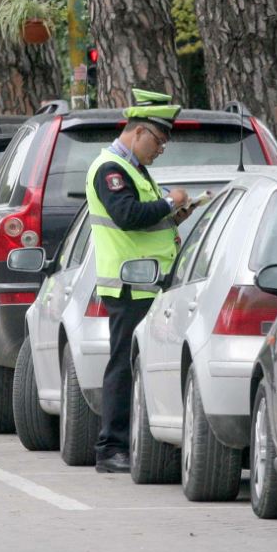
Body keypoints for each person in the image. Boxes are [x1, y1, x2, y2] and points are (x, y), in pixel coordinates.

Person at [85, 89, 189, 474]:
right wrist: (169, 203)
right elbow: (127, 214)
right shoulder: (110, 169)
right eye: (158, 142)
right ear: (140, 132)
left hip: (149, 284)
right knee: (123, 366)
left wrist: (173, 217)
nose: (160, 150)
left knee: (139, 365)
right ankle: (111, 448)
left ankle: (131, 443)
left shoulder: (133, 169)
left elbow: (143, 222)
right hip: (129, 286)